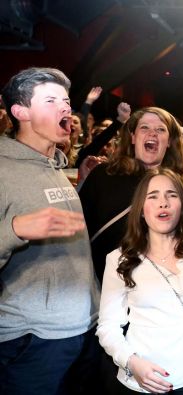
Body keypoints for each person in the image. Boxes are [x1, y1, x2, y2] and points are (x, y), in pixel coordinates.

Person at [0, 67, 101, 393]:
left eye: (66, 100)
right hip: (33, 339)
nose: (65, 107)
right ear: (20, 111)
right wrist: (15, 228)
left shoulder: (54, 164)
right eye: (51, 100)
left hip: (81, 329)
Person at [97, 168, 183, 394]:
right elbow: (107, 327)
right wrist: (131, 363)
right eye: (152, 196)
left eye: (172, 195)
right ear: (142, 210)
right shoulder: (119, 259)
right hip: (143, 381)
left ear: (182, 205)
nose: (163, 203)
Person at [79, 106, 183, 283]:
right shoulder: (103, 175)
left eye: (160, 129)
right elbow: (79, 228)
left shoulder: (182, 187)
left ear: (169, 141)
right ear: (132, 137)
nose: (152, 133)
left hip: (154, 290)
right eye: (144, 127)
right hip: (101, 284)